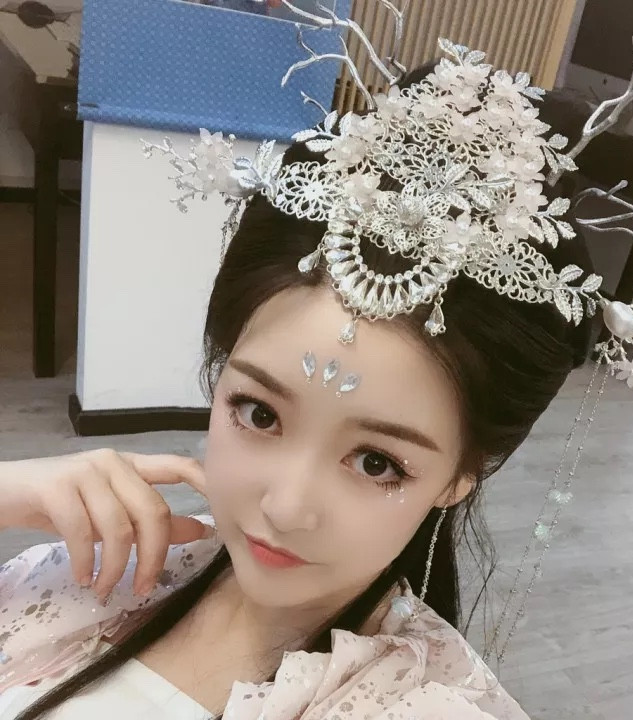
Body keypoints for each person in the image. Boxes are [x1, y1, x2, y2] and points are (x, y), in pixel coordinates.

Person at [0, 54, 596, 718]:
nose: (285, 508)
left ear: (461, 475)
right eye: (259, 413)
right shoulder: (93, 574)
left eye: (377, 463)